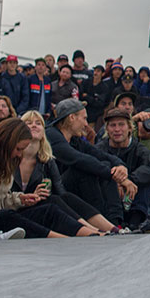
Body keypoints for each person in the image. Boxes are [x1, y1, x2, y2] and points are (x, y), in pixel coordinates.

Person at [0, 118, 89, 238]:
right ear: (7, 143)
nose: (19, 154)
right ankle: (65, 240)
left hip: (1, 213)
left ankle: (92, 233)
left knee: (49, 209)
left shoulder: (2, 160)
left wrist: (20, 199)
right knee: (10, 217)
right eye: (18, 149)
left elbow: (2, 199)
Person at [46, 98, 133, 230]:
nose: (86, 124)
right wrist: (115, 176)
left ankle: (115, 222)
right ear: (71, 118)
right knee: (84, 170)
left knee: (103, 165)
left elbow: (101, 155)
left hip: (69, 191)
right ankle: (104, 223)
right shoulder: (52, 136)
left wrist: (120, 166)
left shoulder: (75, 140)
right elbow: (78, 159)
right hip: (53, 194)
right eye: (84, 118)